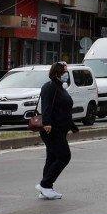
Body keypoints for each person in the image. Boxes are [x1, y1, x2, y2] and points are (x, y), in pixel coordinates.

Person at [36, 62, 78, 200]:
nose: (67, 73)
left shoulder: (60, 87)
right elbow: (46, 106)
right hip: (52, 129)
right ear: (57, 72)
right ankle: (45, 184)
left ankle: (47, 189)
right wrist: (47, 122)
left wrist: (72, 125)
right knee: (64, 156)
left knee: (52, 158)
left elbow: (63, 109)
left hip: (60, 128)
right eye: (64, 71)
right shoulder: (49, 87)